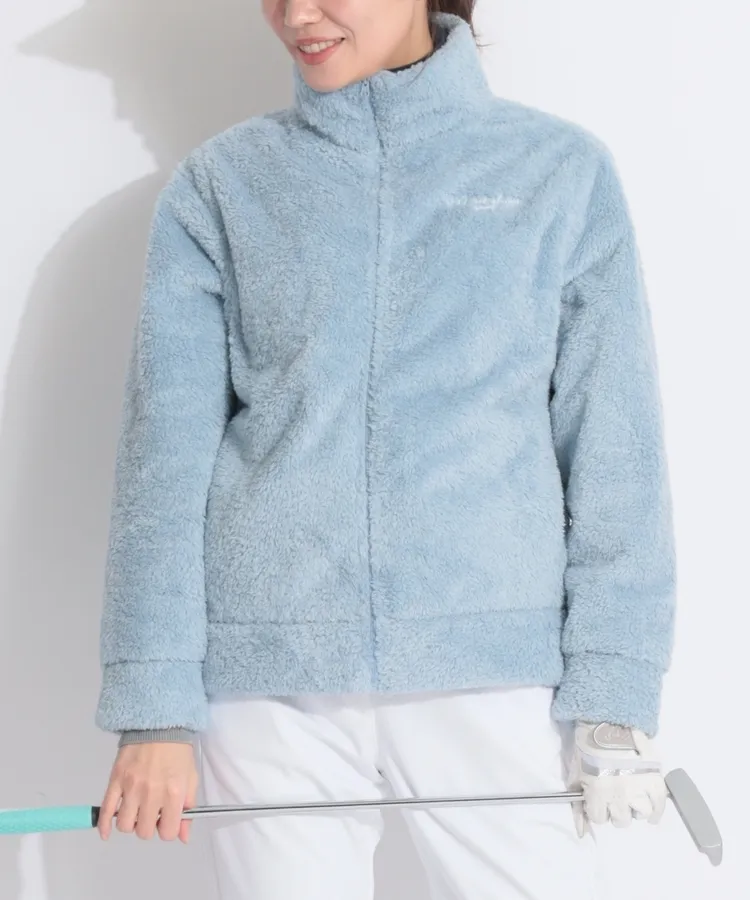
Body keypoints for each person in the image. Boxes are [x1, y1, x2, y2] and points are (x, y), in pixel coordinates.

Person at [93, 2, 677, 897]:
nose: (296, 15)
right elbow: (160, 469)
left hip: (492, 671)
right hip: (271, 685)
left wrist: (614, 695)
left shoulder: (557, 172)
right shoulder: (223, 185)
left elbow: (616, 453)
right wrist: (154, 709)